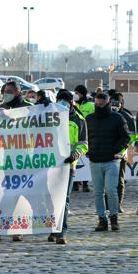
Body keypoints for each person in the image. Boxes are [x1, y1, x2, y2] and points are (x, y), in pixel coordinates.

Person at [47, 90, 88, 245]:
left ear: (71, 103)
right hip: (49, 165)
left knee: (64, 200)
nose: (62, 104)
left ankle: (61, 232)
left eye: (65, 101)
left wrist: (75, 155)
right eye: (59, 101)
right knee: (51, 199)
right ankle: (53, 229)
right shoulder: (49, 115)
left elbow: (83, 144)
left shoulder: (79, 120)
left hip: (68, 166)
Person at [0, 81, 32, 242]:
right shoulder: (1, 107)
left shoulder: (29, 106)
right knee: (9, 194)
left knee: (22, 196)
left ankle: (18, 229)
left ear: (17, 92)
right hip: (8, 157)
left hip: (26, 158)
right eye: (4, 91)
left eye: (9, 91)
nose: (6, 94)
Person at [86, 92, 129, 232]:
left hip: (111, 161)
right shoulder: (89, 119)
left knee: (111, 190)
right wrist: (88, 150)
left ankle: (114, 218)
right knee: (98, 192)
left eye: (101, 105)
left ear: (108, 103)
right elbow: (84, 138)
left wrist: (115, 150)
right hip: (95, 160)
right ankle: (101, 220)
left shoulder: (117, 118)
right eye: (96, 104)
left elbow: (126, 137)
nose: (98, 107)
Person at [110, 93, 137, 213]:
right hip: (107, 153)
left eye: (117, 103)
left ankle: (118, 205)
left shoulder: (127, 117)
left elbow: (132, 137)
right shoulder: (106, 115)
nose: (115, 105)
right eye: (113, 103)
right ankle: (108, 205)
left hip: (122, 154)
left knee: (119, 181)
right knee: (108, 182)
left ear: (122, 104)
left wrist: (120, 148)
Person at [73, 85, 95, 192]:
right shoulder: (73, 104)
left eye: (78, 93)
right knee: (76, 159)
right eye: (75, 92)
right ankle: (76, 183)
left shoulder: (91, 105)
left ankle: (85, 184)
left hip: (88, 136)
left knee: (85, 161)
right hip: (75, 136)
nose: (76, 95)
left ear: (83, 94)